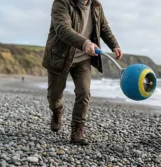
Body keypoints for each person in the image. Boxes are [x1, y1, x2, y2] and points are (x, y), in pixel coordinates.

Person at [42, 0, 123, 145]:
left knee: (84, 92)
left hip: (83, 59)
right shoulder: (61, 3)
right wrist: (85, 43)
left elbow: (103, 27)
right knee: (54, 95)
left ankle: (77, 130)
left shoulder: (96, 6)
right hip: (60, 57)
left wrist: (114, 44)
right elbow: (62, 29)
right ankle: (57, 110)